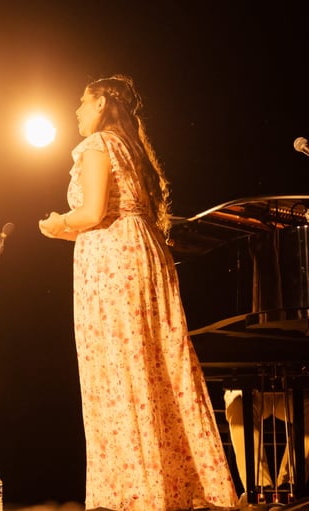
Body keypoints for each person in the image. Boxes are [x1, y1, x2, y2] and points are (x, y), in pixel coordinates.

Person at [38, 74, 238, 511]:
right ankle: (173, 486)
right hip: (139, 254)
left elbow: (92, 213)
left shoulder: (97, 145)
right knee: (154, 364)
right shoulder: (132, 149)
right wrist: (68, 232)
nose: (76, 110)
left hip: (113, 264)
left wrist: (58, 222)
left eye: (82, 101)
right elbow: (116, 215)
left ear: (101, 103)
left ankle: (134, 492)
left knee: (119, 368)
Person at [224, 388, 309, 491]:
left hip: (291, 392)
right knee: (238, 406)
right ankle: (259, 486)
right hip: (250, 392)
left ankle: (290, 485)